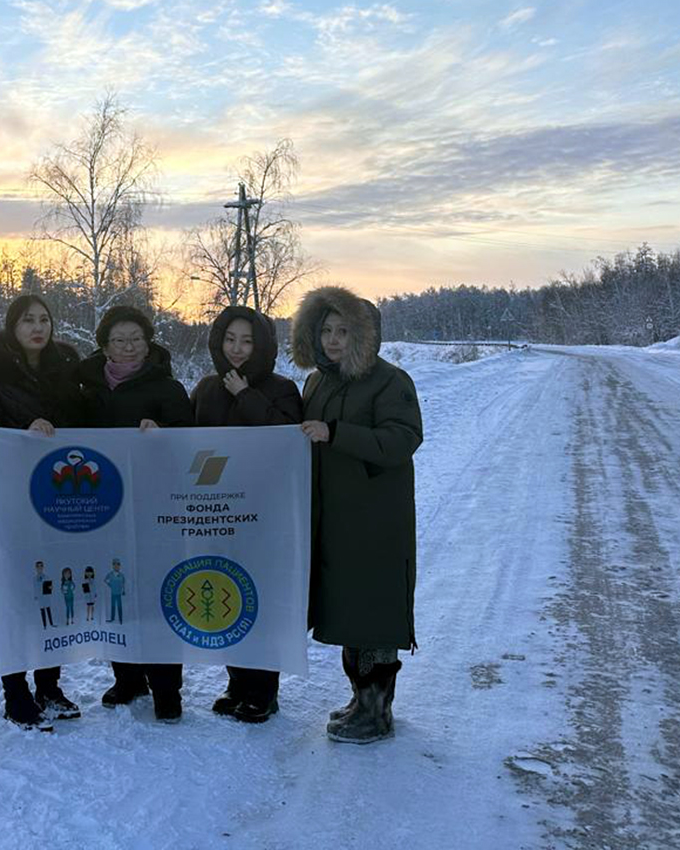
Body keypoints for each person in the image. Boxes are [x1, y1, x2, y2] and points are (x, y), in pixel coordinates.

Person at [291, 285, 424, 745]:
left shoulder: (390, 382)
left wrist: (336, 433)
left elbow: (402, 440)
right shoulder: (317, 382)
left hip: (375, 520)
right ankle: (360, 700)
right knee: (349, 613)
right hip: (333, 518)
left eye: (344, 331)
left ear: (364, 336)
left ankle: (377, 712)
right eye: (326, 330)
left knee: (374, 614)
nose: (333, 340)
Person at [67, 304, 194, 721]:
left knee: (157, 595)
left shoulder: (168, 388)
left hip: (155, 507)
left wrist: (164, 435)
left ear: (148, 342)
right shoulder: (85, 388)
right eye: (119, 340)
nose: (128, 347)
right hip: (103, 506)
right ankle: (127, 678)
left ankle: (167, 688)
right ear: (104, 345)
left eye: (136, 339)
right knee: (115, 592)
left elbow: (189, 440)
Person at [0, 293, 83, 729]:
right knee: (15, 593)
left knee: (54, 590)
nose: (38, 327)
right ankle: (15, 693)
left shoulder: (67, 372)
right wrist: (22, 431)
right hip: (10, 500)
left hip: (59, 500)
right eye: (28, 320)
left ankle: (49, 686)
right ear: (12, 327)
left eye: (44, 319)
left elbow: (87, 422)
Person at [192, 305, 303, 724]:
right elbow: (184, 439)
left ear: (262, 346)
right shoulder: (206, 388)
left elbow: (287, 439)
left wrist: (245, 395)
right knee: (227, 596)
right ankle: (237, 682)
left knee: (261, 599)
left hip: (264, 514)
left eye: (247, 341)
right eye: (230, 340)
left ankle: (263, 691)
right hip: (216, 512)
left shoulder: (281, 389)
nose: (237, 349)